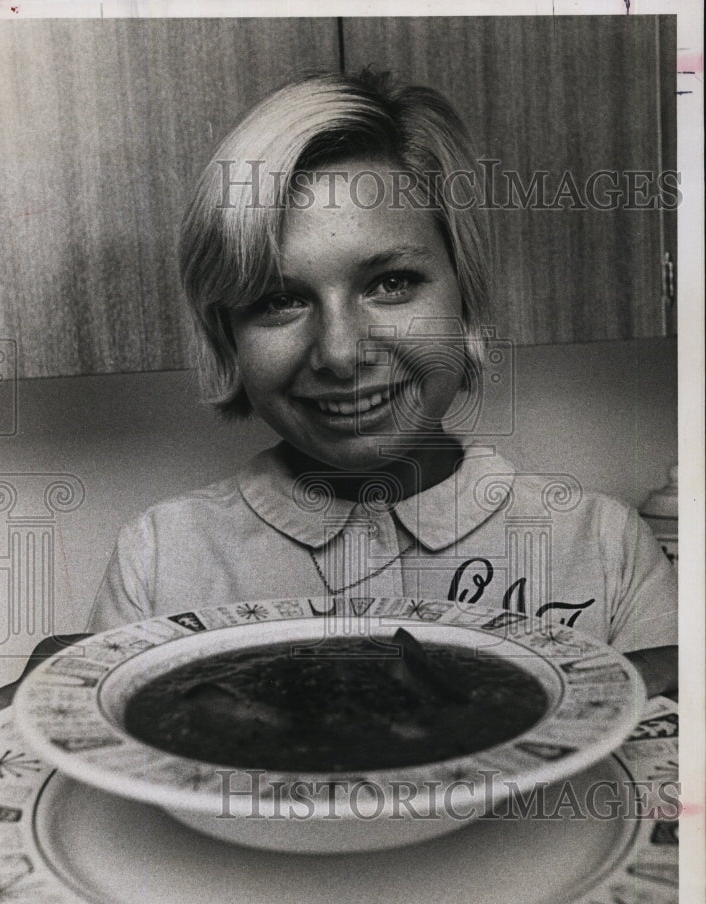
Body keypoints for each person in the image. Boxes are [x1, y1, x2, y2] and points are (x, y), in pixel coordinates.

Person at [85, 70, 677, 694]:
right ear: (228, 331)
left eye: (389, 283)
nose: (340, 354)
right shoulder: (159, 560)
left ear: (464, 294)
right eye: (280, 299)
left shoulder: (605, 547)